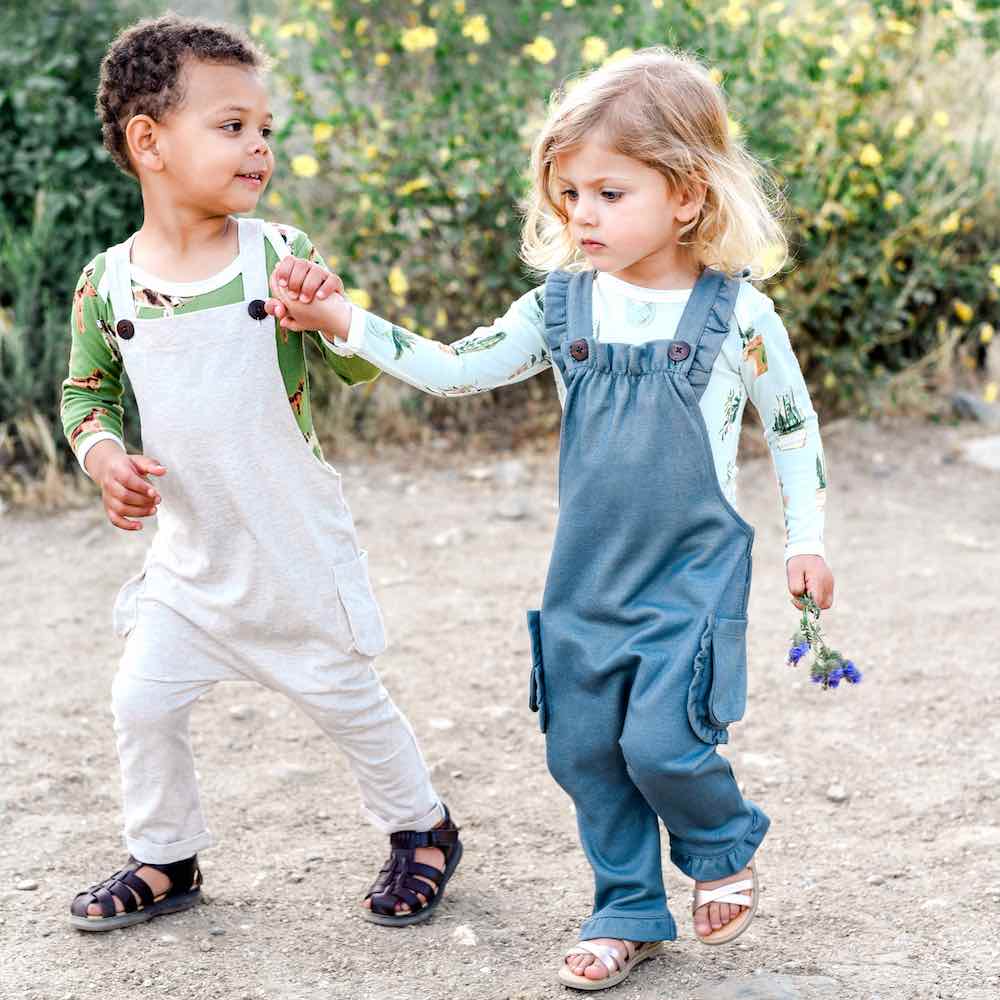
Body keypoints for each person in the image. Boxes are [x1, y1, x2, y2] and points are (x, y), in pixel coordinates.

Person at [267, 47, 834, 991]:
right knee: (580, 748)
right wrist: (344, 323)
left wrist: (807, 541)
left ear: (687, 196)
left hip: (693, 573)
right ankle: (627, 909)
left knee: (661, 740)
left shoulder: (737, 317)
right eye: (569, 193)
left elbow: (792, 426)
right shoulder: (558, 306)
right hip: (586, 576)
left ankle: (720, 841)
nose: (582, 215)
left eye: (611, 192)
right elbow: (454, 368)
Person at [61, 13, 461, 934]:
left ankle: (424, 828)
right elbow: (85, 396)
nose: (259, 147)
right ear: (149, 141)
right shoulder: (108, 283)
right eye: (232, 125)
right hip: (191, 566)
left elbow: (355, 366)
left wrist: (331, 317)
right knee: (141, 701)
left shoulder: (276, 255)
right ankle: (165, 857)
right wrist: (104, 456)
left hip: (290, 549)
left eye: (265, 129)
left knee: (350, 703)